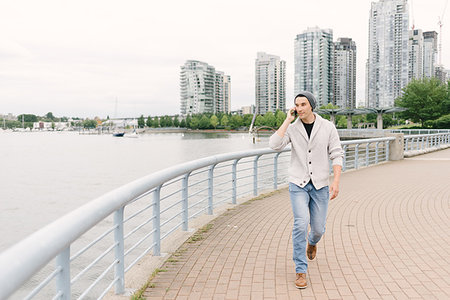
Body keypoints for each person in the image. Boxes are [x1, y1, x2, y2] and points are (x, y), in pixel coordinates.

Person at [269, 91, 344, 289]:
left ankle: (312, 242)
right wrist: (287, 120)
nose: (300, 108)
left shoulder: (328, 127)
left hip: (320, 185)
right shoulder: (293, 129)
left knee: (318, 229)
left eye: (303, 104)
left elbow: (337, 154)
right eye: (297, 105)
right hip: (298, 184)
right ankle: (300, 270)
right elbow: (274, 145)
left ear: (311, 105)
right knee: (300, 224)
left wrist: (335, 181)